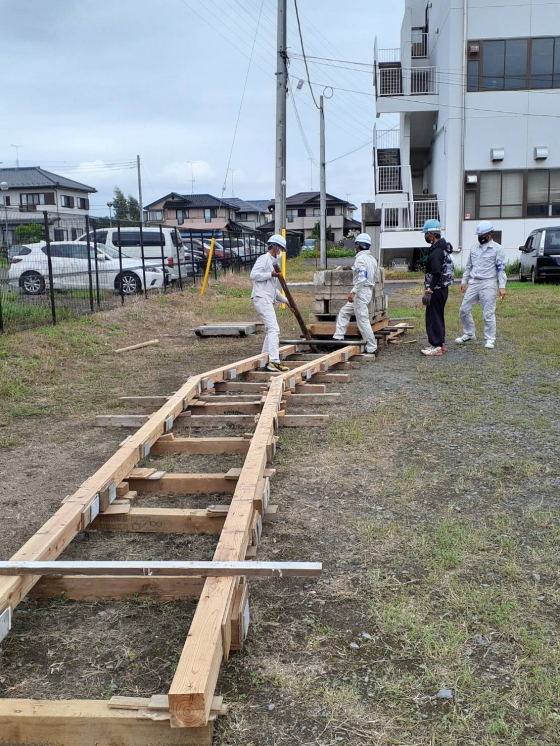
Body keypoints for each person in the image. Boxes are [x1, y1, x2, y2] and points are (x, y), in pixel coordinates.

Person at [456, 220, 507, 350]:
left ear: (489, 234)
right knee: (463, 309)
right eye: (479, 235)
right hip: (474, 282)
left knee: (488, 313)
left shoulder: (498, 249)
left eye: (483, 235)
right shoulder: (474, 248)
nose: (480, 238)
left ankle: (490, 339)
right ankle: (469, 333)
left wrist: (502, 287)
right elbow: (468, 266)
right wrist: (464, 281)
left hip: (488, 283)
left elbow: (501, 269)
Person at [250, 234, 294, 372]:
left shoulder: (273, 262)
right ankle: (274, 362)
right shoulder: (264, 259)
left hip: (266, 298)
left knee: (271, 330)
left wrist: (286, 301)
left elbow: (273, 289)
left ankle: (264, 358)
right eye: (280, 249)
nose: (281, 253)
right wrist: (271, 274)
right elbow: (253, 275)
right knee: (274, 329)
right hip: (261, 298)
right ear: (275, 247)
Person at [333, 233, 378, 355]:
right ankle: (338, 337)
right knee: (344, 312)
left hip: (360, 292)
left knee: (363, 321)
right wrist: (352, 269)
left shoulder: (360, 259)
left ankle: (372, 347)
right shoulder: (372, 259)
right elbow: (367, 273)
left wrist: (353, 292)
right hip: (366, 291)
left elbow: (362, 277)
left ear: (358, 246)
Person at [420, 219, 454, 357]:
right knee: (438, 316)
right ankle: (441, 343)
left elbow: (436, 273)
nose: (425, 236)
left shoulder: (436, 252)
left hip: (437, 289)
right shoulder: (444, 248)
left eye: (426, 234)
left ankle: (436, 345)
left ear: (432, 234)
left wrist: (429, 290)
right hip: (443, 289)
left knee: (433, 317)